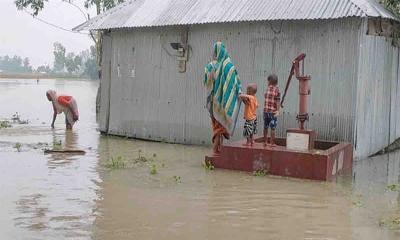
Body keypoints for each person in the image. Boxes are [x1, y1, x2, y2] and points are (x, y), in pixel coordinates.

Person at [204, 42, 242, 154]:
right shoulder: (229, 65)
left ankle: (216, 151)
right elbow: (236, 83)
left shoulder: (210, 66)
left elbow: (207, 83)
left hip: (213, 103)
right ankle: (217, 151)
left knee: (217, 127)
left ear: (215, 52)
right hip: (224, 103)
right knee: (220, 127)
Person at [264, 74, 280, 147]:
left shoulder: (267, 89)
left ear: (269, 82)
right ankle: (272, 143)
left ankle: (265, 142)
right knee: (273, 128)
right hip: (272, 112)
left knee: (265, 127)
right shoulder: (276, 89)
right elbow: (277, 101)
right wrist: (278, 110)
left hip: (265, 111)